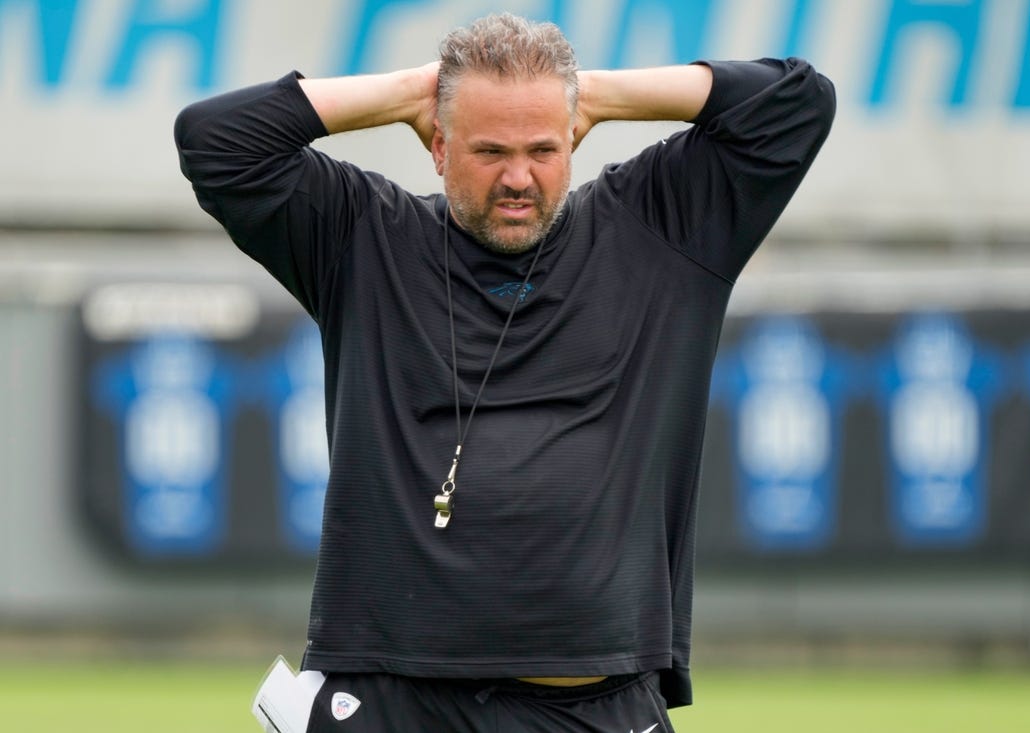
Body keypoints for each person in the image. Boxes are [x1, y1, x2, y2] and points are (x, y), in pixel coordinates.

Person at [175, 12, 834, 733]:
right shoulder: (361, 237)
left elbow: (797, 102)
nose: (518, 178)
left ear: (574, 135)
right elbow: (215, 140)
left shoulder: (661, 228)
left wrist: (595, 93)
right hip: (392, 698)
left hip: (589, 705)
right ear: (438, 144)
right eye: (489, 150)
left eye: (542, 148)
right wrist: (407, 91)